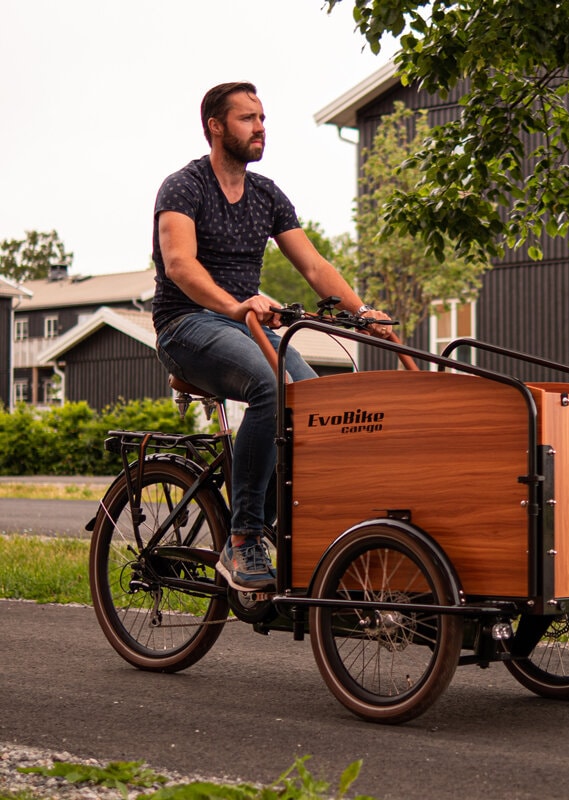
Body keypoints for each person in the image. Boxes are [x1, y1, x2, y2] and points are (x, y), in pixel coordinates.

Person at [151, 81, 392, 593]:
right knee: (274, 386)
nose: (260, 128)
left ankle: (280, 521)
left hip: (245, 324)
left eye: (262, 118)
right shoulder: (184, 186)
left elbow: (313, 263)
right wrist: (236, 304)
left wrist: (363, 311)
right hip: (187, 325)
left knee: (319, 406)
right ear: (216, 127)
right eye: (247, 119)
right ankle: (243, 540)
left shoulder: (266, 194)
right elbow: (180, 265)